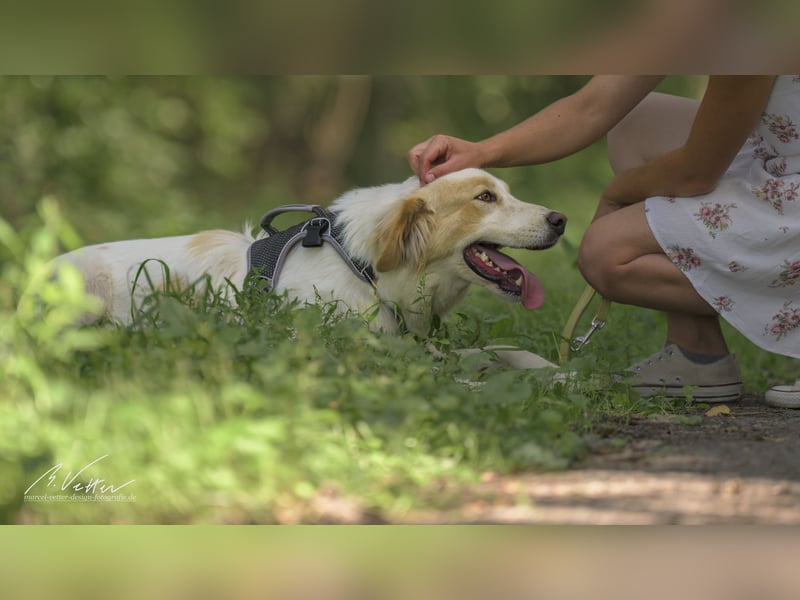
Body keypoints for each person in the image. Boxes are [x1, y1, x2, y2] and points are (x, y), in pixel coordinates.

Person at [408, 75, 800, 406]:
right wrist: (481, 151)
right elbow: (594, 105)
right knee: (638, 123)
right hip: (780, 158)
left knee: (607, 253)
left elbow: (694, 174)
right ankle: (696, 352)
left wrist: (616, 194)